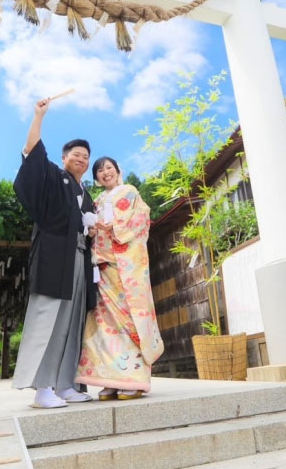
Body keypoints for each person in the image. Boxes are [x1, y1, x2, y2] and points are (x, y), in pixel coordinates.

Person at [11, 97, 98, 408]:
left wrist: (91, 226)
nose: (82, 160)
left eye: (86, 157)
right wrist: (38, 115)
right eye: (76, 155)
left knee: (72, 324)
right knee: (47, 320)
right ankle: (41, 388)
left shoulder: (85, 193)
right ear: (64, 158)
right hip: (53, 259)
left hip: (77, 261)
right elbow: (32, 152)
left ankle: (65, 385)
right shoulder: (52, 176)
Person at [77, 157, 163, 400]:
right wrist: (93, 229)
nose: (105, 173)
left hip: (126, 269)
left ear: (117, 171)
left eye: (109, 168)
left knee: (130, 320)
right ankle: (111, 379)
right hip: (103, 269)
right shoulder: (97, 200)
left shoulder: (128, 191)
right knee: (105, 324)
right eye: (100, 170)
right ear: (96, 178)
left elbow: (136, 222)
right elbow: (95, 231)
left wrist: (107, 226)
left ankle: (134, 379)